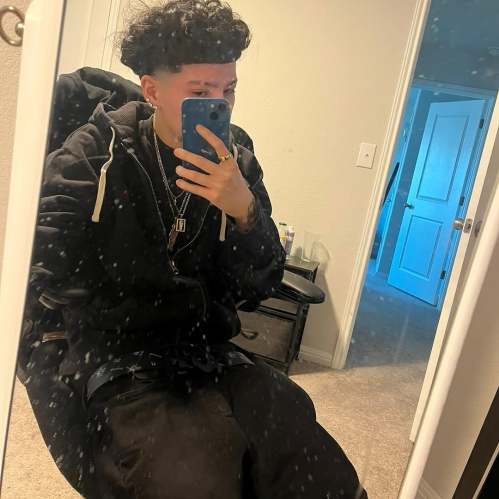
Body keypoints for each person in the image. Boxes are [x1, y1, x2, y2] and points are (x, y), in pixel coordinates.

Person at [19, 1, 367, 497]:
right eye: (201, 93)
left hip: (208, 350)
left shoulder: (237, 162)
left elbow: (260, 284)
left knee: (323, 472)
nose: (219, 105)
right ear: (152, 90)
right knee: (197, 479)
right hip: (123, 352)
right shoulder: (98, 150)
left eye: (228, 90)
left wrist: (245, 211)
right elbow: (37, 260)